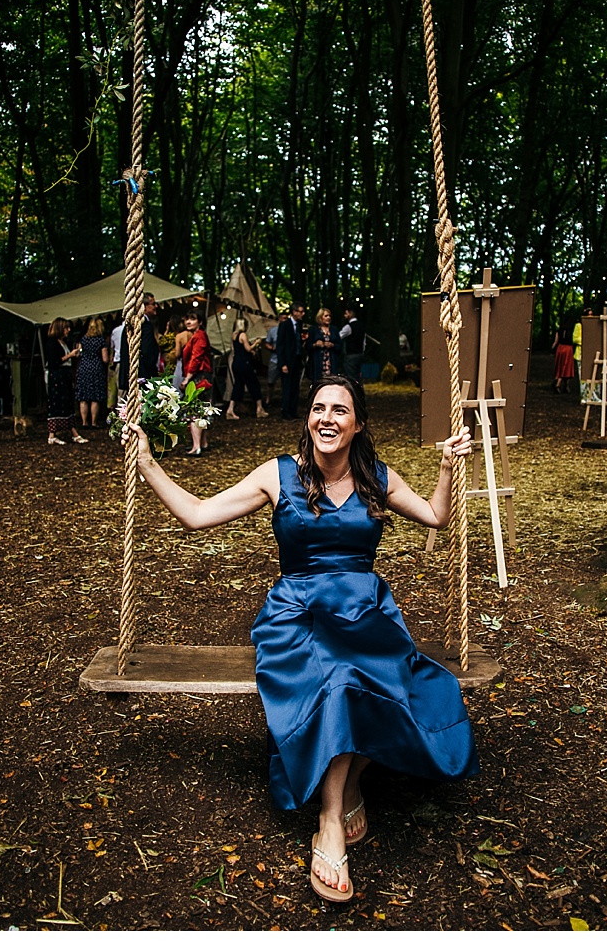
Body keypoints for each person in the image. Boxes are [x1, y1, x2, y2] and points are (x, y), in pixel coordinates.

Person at [118, 375, 476, 904]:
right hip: (297, 613)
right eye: (318, 408)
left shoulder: (377, 476)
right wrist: (146, 461)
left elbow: (438, 517)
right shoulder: (279, 474)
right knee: (338, 674)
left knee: (398, 678)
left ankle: (350, 781)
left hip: (365, 610)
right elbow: (196, 515)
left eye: (339, 410)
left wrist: (447, 468)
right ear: (308, 418)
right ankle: (330, 819)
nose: (326, 418)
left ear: (358, 424)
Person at [44, 319, 86, 445]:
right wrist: (69, 356)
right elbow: (54, 361)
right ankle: (52, 434)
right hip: (57, 376)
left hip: (65, 375)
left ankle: (73, 432)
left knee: (67, 402)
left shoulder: (64, 342)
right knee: (57, 403)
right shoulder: (52, 343)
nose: (68, 330)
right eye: (66, 328)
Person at [180, 312, 215, 456]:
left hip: (199, 376)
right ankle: (203, 442)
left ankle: (196, 446)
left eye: (192, 319)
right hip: (201, 376)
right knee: (202, 409)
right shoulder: (197, 335)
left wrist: (187, 378)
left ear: (200, 322)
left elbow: (196, 358)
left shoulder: (199, 336)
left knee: (195, 411)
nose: (188, 322)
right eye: (187, 319)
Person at [76, 318, 111, 430]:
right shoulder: (101, 341)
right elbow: (105, 359)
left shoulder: (83, 339)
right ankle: (94, 422)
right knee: (95, 397)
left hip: (83, 368)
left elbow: (78, 353)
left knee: (84, 397)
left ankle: (84, 422)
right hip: (96, 369)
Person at [275, 308, 305, 419]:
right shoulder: (285, 325)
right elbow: (280, 345)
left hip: (296, 360)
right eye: (300, 312)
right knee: (287, 386)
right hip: (287, 361)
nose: (302, 314)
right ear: (294, 312)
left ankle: (293, 410)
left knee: (295, 386)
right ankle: (286, 411)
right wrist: (282, 363)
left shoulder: (299, 325)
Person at [234, 328, 267, 419]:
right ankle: (259, 409)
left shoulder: (234, 335)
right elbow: (248, 348)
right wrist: (256, 342)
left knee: (238, 386)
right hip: (244, 364)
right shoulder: (242, 335)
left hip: (236, 363)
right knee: (254, 384)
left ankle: (230, 409)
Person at [307, 307, 339, 381]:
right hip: (318, 362)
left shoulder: (334, 330)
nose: (328, 318)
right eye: (326, 316)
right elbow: (307, 346)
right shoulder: (313, 330)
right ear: (320, 317)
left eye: (329, 316)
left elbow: (340, 346)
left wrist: (332, 345)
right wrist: (315, 344)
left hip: (331, 362)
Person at [339, 308, 366, 383]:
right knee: (358, 376)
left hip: (350, 354)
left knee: (351, 377)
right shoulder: (361, 326)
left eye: (346, 314)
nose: (345, 316)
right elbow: (364, 341)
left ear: (350, 314)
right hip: (360, 354)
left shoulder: (348, 327)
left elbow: (339, 336)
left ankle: (353, 392)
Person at [553, 326, 577, 393]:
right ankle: (561, 384)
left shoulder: (559, 330)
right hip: (568, 349)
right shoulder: (573, 330)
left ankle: (560, 382)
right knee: (567, 368)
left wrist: (552, 349)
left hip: (560, 348)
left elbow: (556, 341)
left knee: (560, 366)